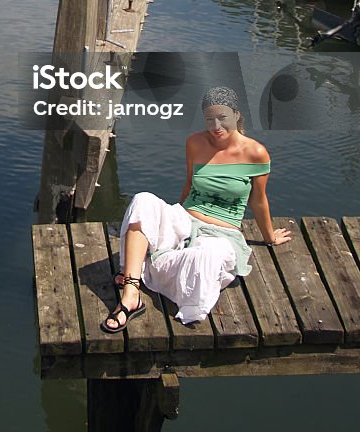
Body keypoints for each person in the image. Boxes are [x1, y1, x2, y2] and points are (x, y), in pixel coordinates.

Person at [101, 86, 291, 332]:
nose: (216, 126)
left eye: (223, 118)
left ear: (236, 115)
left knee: (207, 258)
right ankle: (131, 293)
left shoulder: (255, 153)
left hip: (222, 233)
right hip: (186, 217)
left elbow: (258, 201)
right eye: (209, 119)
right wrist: (169, 221)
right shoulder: (195, 142)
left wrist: (269, 237)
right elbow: (190, 183)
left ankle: (145, 265)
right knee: (143, 201)